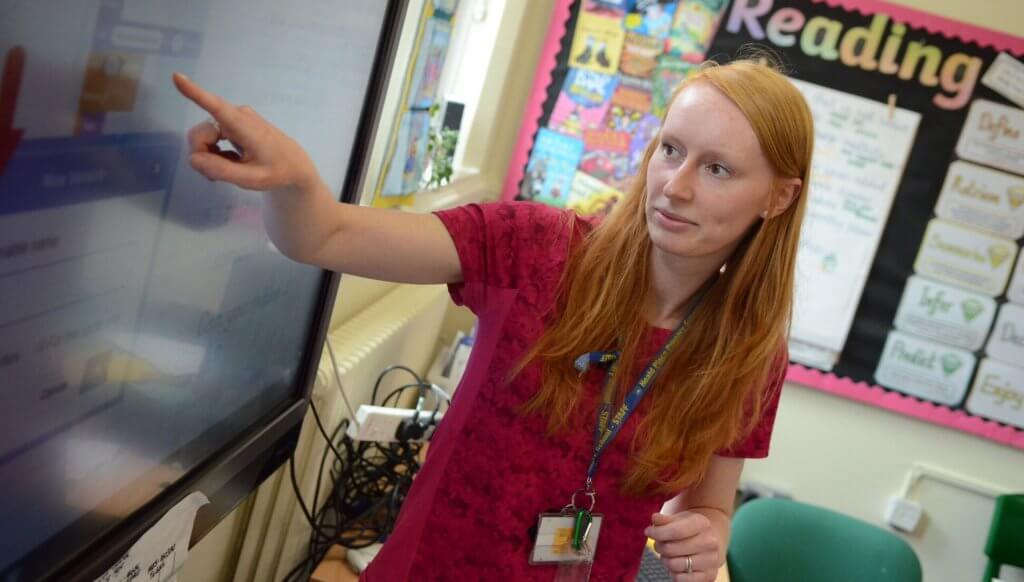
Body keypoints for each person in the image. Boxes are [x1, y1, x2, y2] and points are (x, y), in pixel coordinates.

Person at [171, 56, 813, 581]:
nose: (675, 186)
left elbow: (709, 506)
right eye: (671, 150)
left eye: (718, 169)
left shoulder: (750, 357)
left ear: (779, 196)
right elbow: (325, 236)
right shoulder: (539, 250)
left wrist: (709, 534)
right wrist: (294, 183)